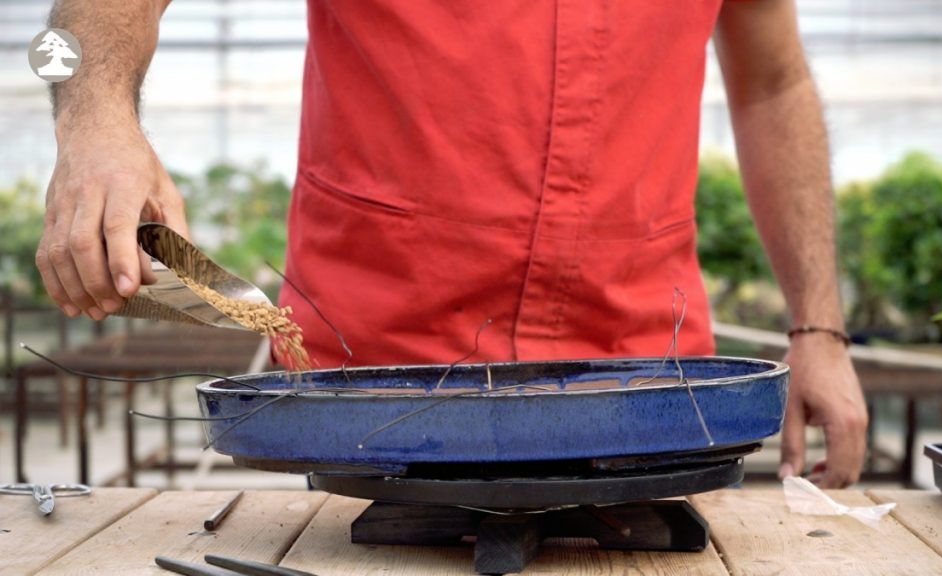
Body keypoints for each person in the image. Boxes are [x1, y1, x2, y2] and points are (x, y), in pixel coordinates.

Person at [35, 0, 868, 487]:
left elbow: (774, 80)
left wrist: (820, 328)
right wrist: (94, 117)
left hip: (640, 388)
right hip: (369, 405)